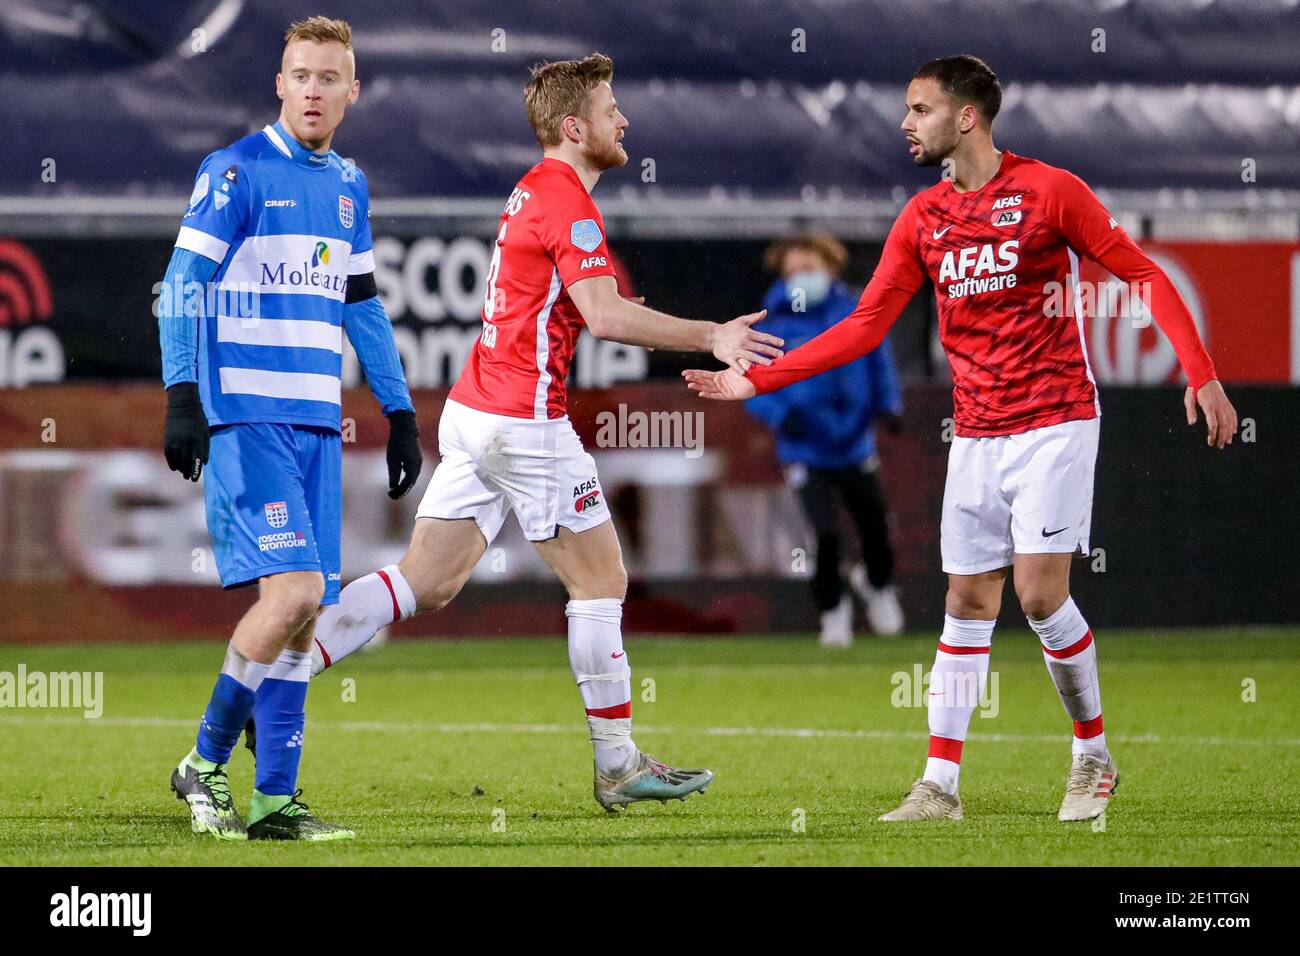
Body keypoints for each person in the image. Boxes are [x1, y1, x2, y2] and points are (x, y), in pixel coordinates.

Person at [684, 55, 1237, 823]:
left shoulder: (1051, 192)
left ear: (966, 116)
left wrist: (1199, 370)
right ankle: (939, 786)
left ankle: (1091, 756)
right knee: (966, 601)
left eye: (919, 109)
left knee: (1042, 596)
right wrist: (759, 379)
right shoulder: (922, 220)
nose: (906, 124)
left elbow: (1142, 276)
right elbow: (864, 327)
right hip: (977, 433)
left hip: (1056, 420)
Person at [288, 53, 784, 813]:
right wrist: (712, 334)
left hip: (477, 409)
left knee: (428, 582)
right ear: (574, 126)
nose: (627, 121)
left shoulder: (533, 190)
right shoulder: (565, 201)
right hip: (523, 421)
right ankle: (618, 765)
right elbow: (607, 314)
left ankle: (276, 684)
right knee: (601, 580)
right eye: (612, 108)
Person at [158, 17, 421, 840]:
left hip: (316, 424)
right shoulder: (234, 171)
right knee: (297, 593)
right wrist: (181, 396)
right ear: (279, 84)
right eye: (299, 75)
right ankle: (203, 763)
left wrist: (401, 407)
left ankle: (275, 798)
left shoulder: (349, 186)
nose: (313, 89)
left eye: (328, 77)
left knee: (309, 616)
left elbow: (363, 305)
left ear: (351, 91)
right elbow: (181, 283)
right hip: (245, 418)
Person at [745, 234, 905, 645]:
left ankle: (877, 584)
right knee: (825, 534)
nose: (802, 278)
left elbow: (878, 361)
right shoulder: (771, 321)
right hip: (804, 447)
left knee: (875, 527)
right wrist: (781, 415)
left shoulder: (855, 310)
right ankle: (833, 612)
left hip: (854, 441)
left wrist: (889, 405)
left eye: (810, 269)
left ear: (831, 268)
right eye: (794, 270)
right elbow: (748, 383)